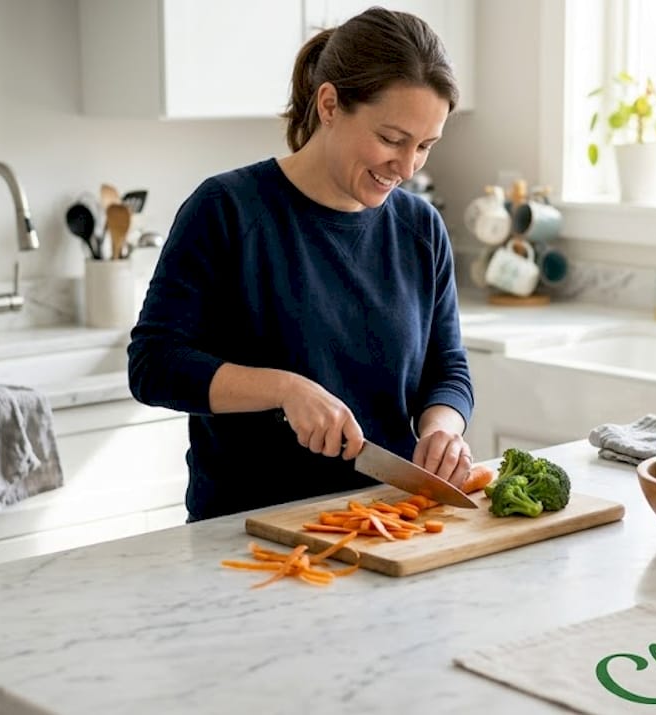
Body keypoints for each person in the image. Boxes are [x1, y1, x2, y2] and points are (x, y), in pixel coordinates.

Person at [128, 7, 474, 522]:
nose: (406, 167)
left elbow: (447, 367)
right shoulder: (226, 210)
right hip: (247, 535)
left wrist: (443, 429)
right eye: (391, 139)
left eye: (424, 146)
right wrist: (284, 389)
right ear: (330, 104)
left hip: (388, 524)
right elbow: (153, 365)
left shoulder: (420, 228)